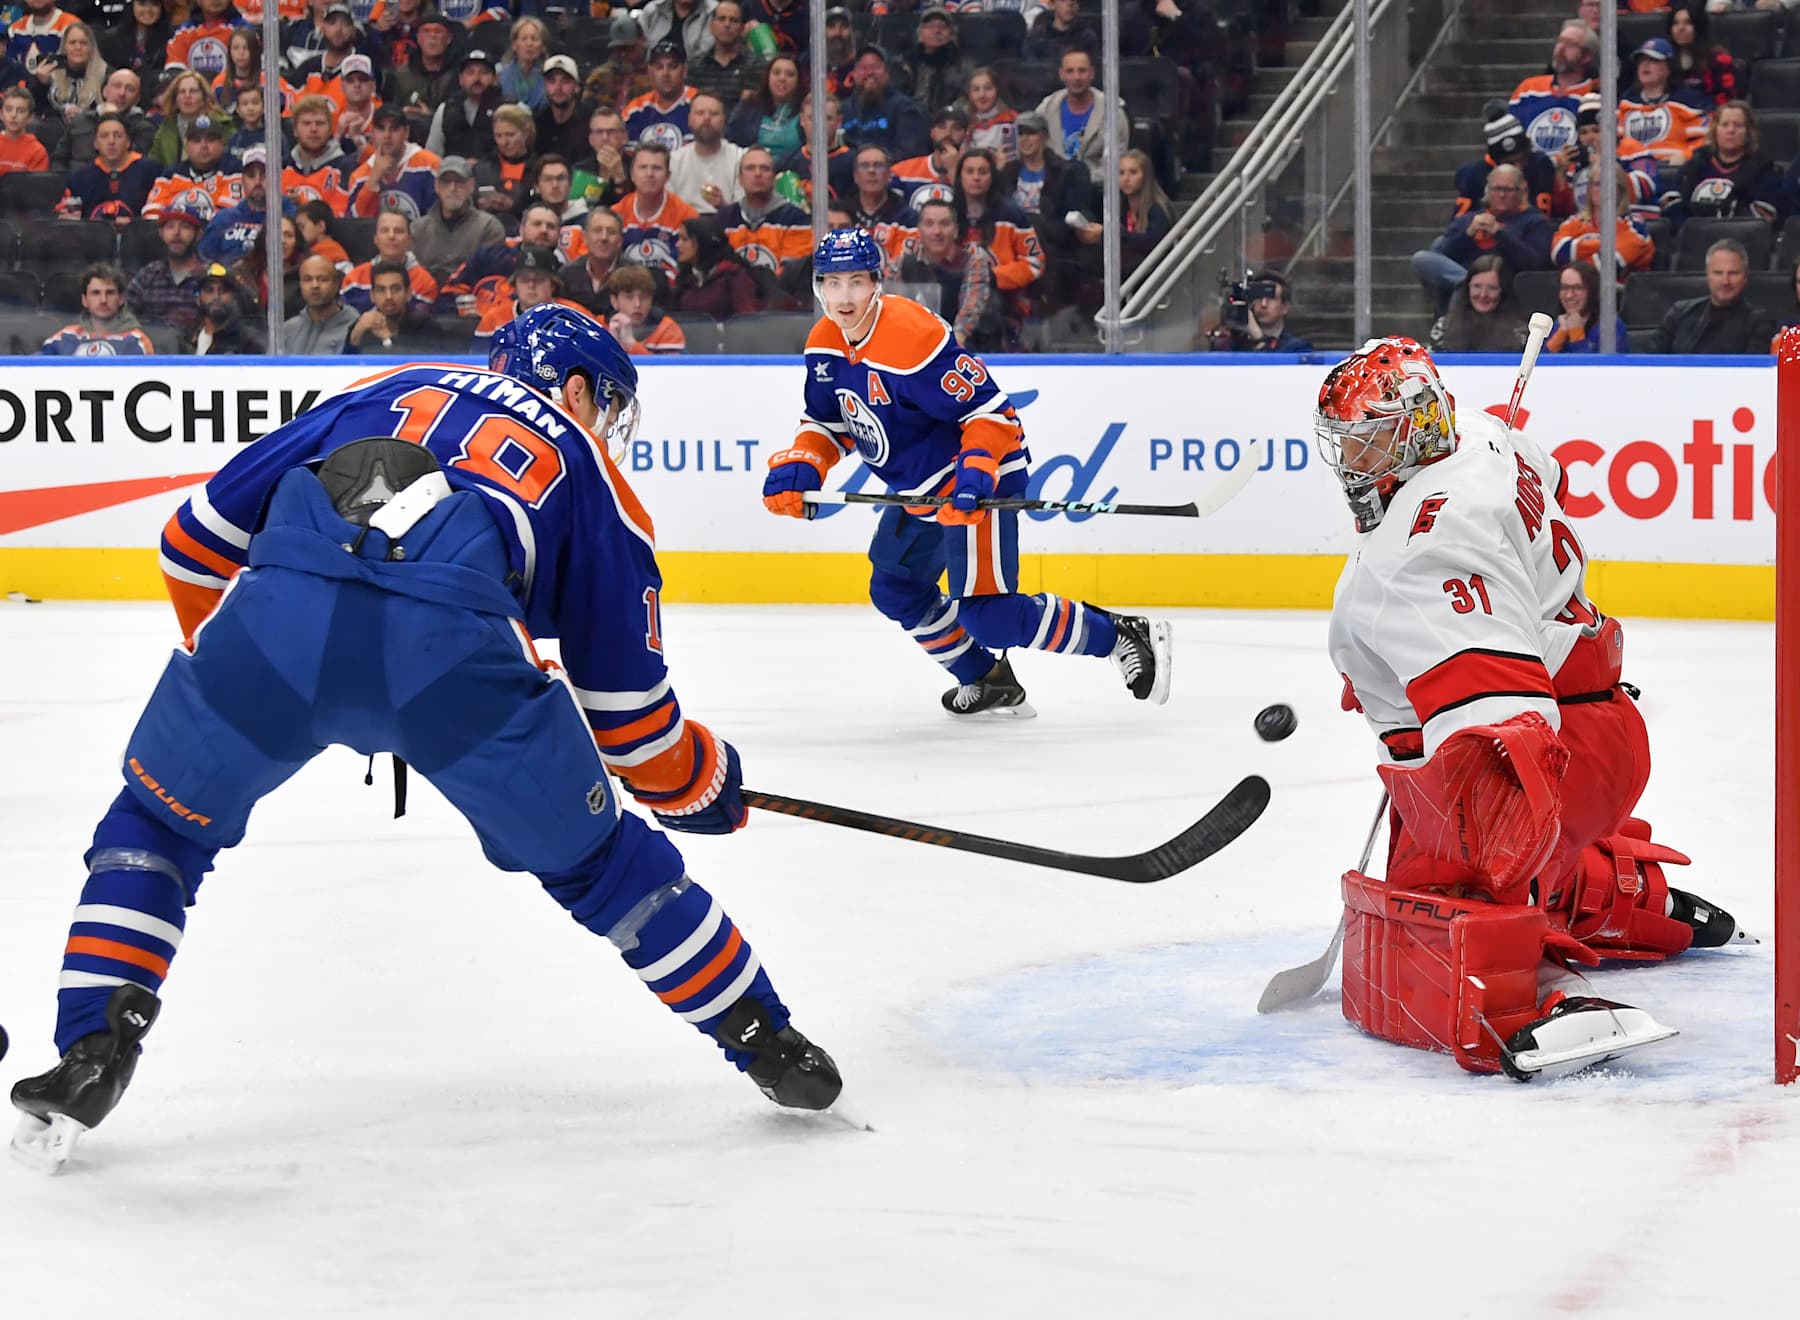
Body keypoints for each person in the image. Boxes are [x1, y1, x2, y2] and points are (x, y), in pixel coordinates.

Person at [7, 302, 844, 1172]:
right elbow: (635, 732)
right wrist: (704, 785)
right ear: (578, 388)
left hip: (271, 633)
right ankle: (770, 1047)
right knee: (606, 869)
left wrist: (237, 666)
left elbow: (190, 541)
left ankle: (92, 1049)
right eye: (609, 405)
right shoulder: (590, 470)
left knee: (156, 825)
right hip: (453, 674)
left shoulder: (382, 386)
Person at [1313, 334, 1744, 1079]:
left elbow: (1505, 730)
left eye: (1372, 441)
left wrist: (1474, 865)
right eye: (1348, 444)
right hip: (1603, 722)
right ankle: (1626, 898)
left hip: (1560, 747)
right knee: (1457, 853)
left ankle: (1544, 990)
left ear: (1417, 427)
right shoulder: (1483, 432)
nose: (1355, 462)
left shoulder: (1428, 546)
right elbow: (1552, 475)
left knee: (1445, 907)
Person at [762, 227, 1172, 717]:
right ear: (818, 287)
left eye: (856, 281)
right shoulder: (824, 344)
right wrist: (806, 462)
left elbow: (990, 414)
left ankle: (1121, 635)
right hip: (921, 493)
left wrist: (974, 476)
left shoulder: (912, 338)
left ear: (877, 281)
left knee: (992, 617)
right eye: (832, 282)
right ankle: (988, 679)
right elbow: (830, 422)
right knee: (896, 588)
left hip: (982, 476)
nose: (844, 296)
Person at [1411, 163, 1553, 315]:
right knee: (1423, 256)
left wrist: (1500, 234)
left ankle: (1470, 285)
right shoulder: (1469, 219)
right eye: (1496, 189)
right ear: (1488, 191)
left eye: (1508, 190)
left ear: (1522, 192)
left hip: (1504, 286)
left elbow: (1535, 263)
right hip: (1465, 279)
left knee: (1463, 289)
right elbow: (1441, 257)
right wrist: (1468, 234)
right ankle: (1468, 283)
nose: (1502, 195)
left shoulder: (1536, 222)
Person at [888, 194, 1001, 350]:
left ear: (955, 230)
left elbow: (970, 310)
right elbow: (891, 312)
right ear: (919, 230)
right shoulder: (902, 264)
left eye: (944, 224)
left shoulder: (972, 261)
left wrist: (949, 347)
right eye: (929, 224)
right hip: (912, 350)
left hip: (964, 349)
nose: (937, 231)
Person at [1649, 237, 1777, 353]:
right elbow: (1650, 361)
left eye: (1733, 273)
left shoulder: (1759, 322)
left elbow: (1752, 371)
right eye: (1718, 273)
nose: (1725, 281)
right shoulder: (1679, 312)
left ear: (1745, 277)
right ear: (1707, 275)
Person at [1674, 100, 1779, 227]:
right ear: (1715, 130)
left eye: (1738, 125)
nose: (1731, 130)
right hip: (1697, 237)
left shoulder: (1763, 168)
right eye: (1725, 125)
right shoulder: (1698, 162)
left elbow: (1764, 218)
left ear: (1748, 132)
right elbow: (1675, 205)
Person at [411, 154, 506, 284]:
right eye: (446, 182)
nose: (452, 188)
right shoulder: (417, 229)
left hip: (471, 298)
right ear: (436, 186)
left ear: (471, 185)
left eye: (459, 182)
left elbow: (490, 279)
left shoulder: (489, 227)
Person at [126, 192, 213, 333]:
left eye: (185, 226)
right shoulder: (148, 275)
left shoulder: (211, 275)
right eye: (170, 226)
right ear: (161, 234)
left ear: (198, 235)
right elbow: (124, 316)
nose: (176, 233)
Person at [1455, 105, 1561, 220]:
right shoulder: (1475, 174)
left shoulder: (1540, 165)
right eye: (1510, 163)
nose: (1518, 167)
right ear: (1495, 161)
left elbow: (1557, 212)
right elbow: (1457, 225)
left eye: (1522, 159)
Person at [1032, 47, 1126, 176]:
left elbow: (1116, 165)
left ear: (1092, 73)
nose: (1076, 77)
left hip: (1096, 188)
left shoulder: (1113, 113)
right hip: (1053, 187)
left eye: (1082, 71)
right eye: (1070, 71)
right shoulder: (1045, 110)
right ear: (1061, 74)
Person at [1506, 20, 1595, 155]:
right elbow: (1508, 137)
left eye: (1570, 44)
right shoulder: (1528, 89)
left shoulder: (1594, 94)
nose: (1560, 49)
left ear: (1586, 56)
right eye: (1560, 41)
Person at [615, 140, 698, 280]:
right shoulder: (616, 214)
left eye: (656, 168)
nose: (649, 174)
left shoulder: (687, 216)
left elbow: (693, 269)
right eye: (643, 167)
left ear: (668, 176)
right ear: (632, 174)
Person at [1551, 165, 1655, 276]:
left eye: (1609, 184)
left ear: (1620, 190)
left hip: (1621, 291)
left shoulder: (1636, 225)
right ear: (1590, 190)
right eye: (1597, 184)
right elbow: (1558, 252)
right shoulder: (1574, 222)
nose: (1603, 189)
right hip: (1574, 290)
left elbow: (1611, 264)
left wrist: (1578, 252)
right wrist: (1606, 246)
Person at [1619, 38, 1707, 167]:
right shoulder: (1627, 102)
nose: (1645, 64)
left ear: (1669, 67)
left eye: (1653, 60)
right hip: (1632, 173)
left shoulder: (1689, 100)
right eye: (1641, 60)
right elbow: (1615, 144)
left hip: (1673, 172)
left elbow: (1704, 141)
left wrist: (1686, 156)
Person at [347, 103, 441, 220]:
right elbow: (355, 226)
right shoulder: (359, 177)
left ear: (406, 132)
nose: (387, 135)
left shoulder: (430, 166)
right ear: (372, 133)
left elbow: (439, 220)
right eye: (381, 128)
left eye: (394, 129)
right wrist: (372, 183)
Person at [40, 260, 155, 355]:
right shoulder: (65, 337)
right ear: (84, 300)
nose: (103, 300)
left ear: (121, 299)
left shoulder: (137, 341)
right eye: (96, 293)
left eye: (109, 293)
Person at [841, 43, 929, 161]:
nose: (869, 72)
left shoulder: (905, 108)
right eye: (863, 67)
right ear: (854, 74)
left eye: (876, 67)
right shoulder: (843, 110)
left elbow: (910, 153)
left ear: (887, 73)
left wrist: (876, 165)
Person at [343, 206, 439, 311]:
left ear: (409, 240)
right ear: (376, 239)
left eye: (398, 231)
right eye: (385, 231)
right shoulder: (354, 279)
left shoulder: (425, 283)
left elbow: (419, 324)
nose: (391, 236)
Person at [1428, 253, 1529, 353]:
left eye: (1492, 288)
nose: (1483, 295)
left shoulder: (1520, 332)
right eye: (1477, 286)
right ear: (1468, 287)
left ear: (1504, 291)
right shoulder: (1443, 328)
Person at [668, 91, 744, 214]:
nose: (707, 118)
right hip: (684, 226)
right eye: (700, 113)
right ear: (690, 120)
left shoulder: (740, 158)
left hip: (725, 225)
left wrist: (723, 206)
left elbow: (744, 214)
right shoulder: (674, 161)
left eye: (714, 114)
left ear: (724, 121)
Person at [345, 256, 441, 352]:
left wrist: (388, 338)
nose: (389, 296)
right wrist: (355, 337)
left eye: (396, 289)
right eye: (381, 290)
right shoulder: (362, 325)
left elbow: (417, 364)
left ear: (408, 294)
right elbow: (343, 364)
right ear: (372, 296)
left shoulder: (427, 327)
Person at [672, 214, 758, 319]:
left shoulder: (735, 276)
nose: (677, 244)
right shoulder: (685, 279)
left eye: (684, 239)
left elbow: (745, 321)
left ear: (703, 241)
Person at [425, 44, 502, 161]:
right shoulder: (445, 109)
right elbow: (432, 156)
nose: (477, 78)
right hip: (452, 175)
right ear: (461, 79)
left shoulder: (508, 109)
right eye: (470, 73)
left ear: (495, 79)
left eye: (484, 72)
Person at [179, 260, 265, 354]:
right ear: (198, 298)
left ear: (233, 296)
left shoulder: (247, 342)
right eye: (209, 290)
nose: (216, 296)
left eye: (223, 290)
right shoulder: (186, 338)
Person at [282, 251, 359, 352]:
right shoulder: (288, 330)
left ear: (336, 284)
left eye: (322, 279)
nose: (315, 285)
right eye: (307, 279)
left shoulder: (355, 327)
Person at [725, 52, 801, 155]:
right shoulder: (748, 106)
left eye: (790, 74)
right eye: (776, 73)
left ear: (798, 81)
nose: (782, 78)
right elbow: (729, 141)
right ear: (767, 77)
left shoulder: (806, 110)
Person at [1545, 259, 1627, 353]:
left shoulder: (1610, 326)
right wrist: (1562, 332)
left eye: (1578, 288)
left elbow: (1595, 367)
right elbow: (1539, 364)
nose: (1569, 295)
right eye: (1565, 288)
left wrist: (1576, 332)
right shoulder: (1557, 325)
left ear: (1592, 291)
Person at [689, 0, 760, 109]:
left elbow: (748, 111)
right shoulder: (695, 66)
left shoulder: (757, 65)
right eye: (721, 19)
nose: (727, 25)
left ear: (742, 28)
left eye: (733, 20)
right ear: (711, 26)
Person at [902, 6, 971, 116]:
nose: (936, 31)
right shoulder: (905, 65)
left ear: (952, 35)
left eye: (943, 27)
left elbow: (966, 100)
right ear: (919, 34)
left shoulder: (963, 68)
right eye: (930, 26)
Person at [1667, 4, 1738, 108]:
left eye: (1688, 23)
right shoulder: (1665, 59)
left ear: (1699, 27)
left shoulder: (1719, 59)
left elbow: (1727, 100)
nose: (1681, 28)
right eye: (1675, 23)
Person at [561, 205, 627, 315]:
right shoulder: (566, 275)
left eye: (611, 232)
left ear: (620, 241)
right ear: (585, 238)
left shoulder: (634, 275)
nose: (604, 237)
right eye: (597, 231)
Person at [607, 262, 686, 353]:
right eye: (629, 297)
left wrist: (631, 345)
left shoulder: (668, 329)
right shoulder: (600, 327)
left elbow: (667, 367)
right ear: (614, 301)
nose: (637, 304)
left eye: (644, 297)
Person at [534, 52, 587, 161]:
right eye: (552, 81)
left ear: (577, 87)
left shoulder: (589, 123)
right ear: (545, 86)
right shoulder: (537, 122)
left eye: (565, 81)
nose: (558, 88)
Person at [963, 66, 1016, 168]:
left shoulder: (1011, 119)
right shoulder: (964, 121)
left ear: (997, 91)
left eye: (988, 88)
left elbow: (1012, 161)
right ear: (969, 94)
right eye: (976, 89)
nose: (982, 95)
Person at [496, 14, 549, 111]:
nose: (529, 44)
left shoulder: (550, 77)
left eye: (534, 39)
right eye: (524, 39)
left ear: (543, 47)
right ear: (514, 45)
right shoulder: (499, 74)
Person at [0, 84, 47, 173]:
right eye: (9, 109)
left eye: (21, 111)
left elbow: (37, 184)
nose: (13, 115)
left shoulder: (37, 151)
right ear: (1, 114)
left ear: (30, 117)